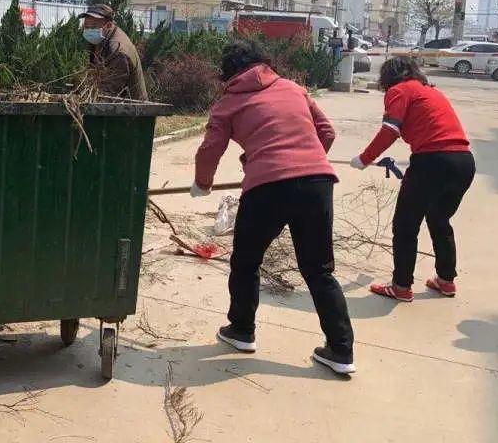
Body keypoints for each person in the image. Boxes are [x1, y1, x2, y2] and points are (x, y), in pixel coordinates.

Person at [191, 40, 356, 375]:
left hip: (268, 188)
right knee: (319, 270)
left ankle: (241, 330)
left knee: (247, 261)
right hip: (317, 183)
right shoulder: (294, 88)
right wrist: (303, 160)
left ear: (230, 74)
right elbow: (326, 132)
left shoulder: (229, 102)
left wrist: (203, 183)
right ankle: (341, 350)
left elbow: (210, 149)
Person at [351, 56, 474, 302]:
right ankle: (446, 280)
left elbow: (390, 130)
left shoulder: (399, 90)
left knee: (406, 225)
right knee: (440, 220)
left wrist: (364, 158)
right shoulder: (430, 92)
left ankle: (401, 286)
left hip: (431, 163)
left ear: (388, 77)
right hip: (463, 162)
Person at [78, 3, 147, 100]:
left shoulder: (118, 51)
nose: (89, 30)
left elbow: (109, 92)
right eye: (86, 26)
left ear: (109, 25)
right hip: (115, 106)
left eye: (94, 26)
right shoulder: (100, 38)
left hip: (130, 110)